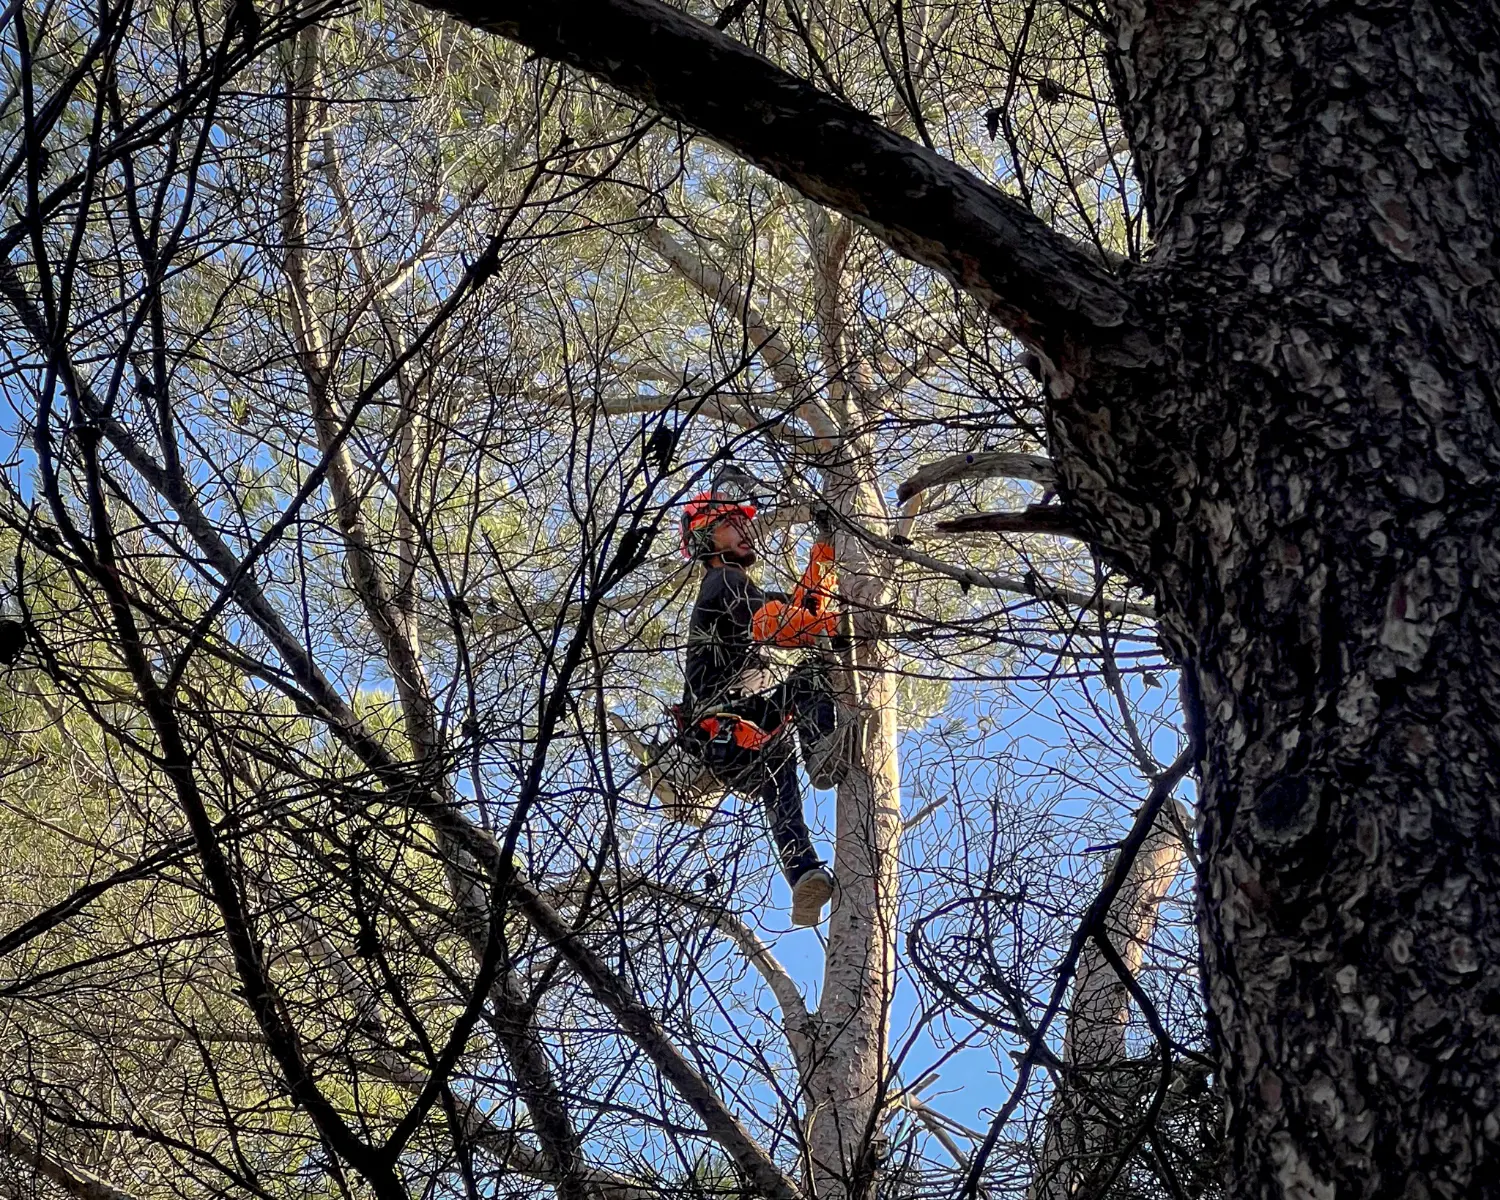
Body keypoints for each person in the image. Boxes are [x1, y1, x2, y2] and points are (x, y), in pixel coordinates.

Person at [678, 480, 848, 927]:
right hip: (729, 721)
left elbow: (801, 607)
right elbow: (779, 623)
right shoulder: (724, 580)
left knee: (779, 784)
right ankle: (822, 750)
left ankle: (803, 875)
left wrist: (825, 554)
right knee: (810, 675)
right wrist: (830, 632)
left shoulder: (737, 589)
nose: (743, 530)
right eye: (731, 524)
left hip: (728, 740)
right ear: (705, 540)